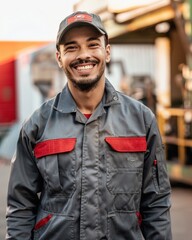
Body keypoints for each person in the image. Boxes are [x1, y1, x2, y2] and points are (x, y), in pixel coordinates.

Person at [6, 11, 172, 240]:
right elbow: (20, 206)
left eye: (92, 45)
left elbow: (156, 203)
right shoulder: (37, 125)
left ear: (107, 51)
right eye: (71, 47)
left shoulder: (142, 120)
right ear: (58, 57)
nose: (83, 55)